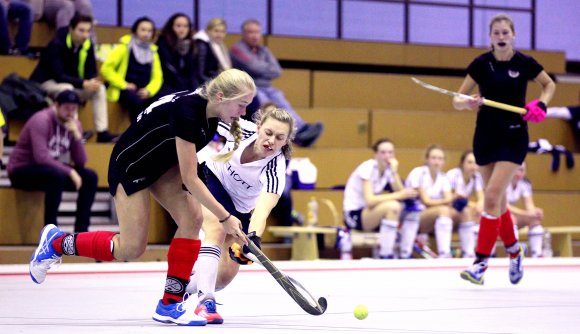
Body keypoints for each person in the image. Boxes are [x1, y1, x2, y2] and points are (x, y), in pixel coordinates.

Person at [27, 69, 256, 326]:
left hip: (162, 165)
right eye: (242, 105)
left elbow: (189, 165)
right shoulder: (189, 111)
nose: (244, 112)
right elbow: (190, 179)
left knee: (192, 219)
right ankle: (57, 243)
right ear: (222, 96)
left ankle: (170, 303)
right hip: (132, 165)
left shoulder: (212, 113)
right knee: (131, 248)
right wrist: (225, 217)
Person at [453, 13, 555, 285]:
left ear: (513, 35)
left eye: (505, 32)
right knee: (498, 203)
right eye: (496, 33)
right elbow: (457, 98)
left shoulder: (524, 63)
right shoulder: (481, 64)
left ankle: (480, 263)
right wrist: (468, 103)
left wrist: (541, 105)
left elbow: (549, 84)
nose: (500, 37)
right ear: (490, 37)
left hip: (513, 137)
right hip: (485, 137)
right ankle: (514, 252)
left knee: (491, 196)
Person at [185, 107, 295, 323]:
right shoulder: (240, 130)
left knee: (225, 276)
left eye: (280, 137)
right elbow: (206, 116)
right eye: (268, 133)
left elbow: (262, 211)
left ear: (285, 142)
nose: (271, 140)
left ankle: (181, 288)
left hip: (241, 210)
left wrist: (253, 238)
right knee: (215, 229)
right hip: (212, 180)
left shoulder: (275, 170)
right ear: (258, 127)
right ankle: (205, 302)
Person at [7, 90, 97, 232]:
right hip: (21, 170)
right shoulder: (41, 120)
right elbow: (41, 157)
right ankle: (50, 232)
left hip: (49, 170)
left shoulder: (74, 125)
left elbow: (81, 161)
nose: (70, 112)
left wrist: (77, 136)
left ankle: (81, 232)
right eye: (67, 108)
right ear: (56, 105)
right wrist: (70, 171)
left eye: (74, 108)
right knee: (57, 176)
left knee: (90, 177)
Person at [230, 19, 323, 148]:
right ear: (244, 34)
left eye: (257, 32)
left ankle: (301, 130)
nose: (254, 35)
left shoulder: (264, 50)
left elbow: (277, 71)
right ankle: (290, 135)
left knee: (281, 99)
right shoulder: (237, 49)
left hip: (267, 86)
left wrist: (260, 69)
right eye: (250, 32)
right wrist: (265, 68)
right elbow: (253, 66)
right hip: (249, 87)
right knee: (265, 103)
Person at [29, 14, 117, 143]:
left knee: (100, 89)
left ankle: (102, 132)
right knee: (68, 89)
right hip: (46, 84)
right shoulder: (57, 44)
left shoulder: (87, 45)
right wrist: (83, 83)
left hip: (74, 84)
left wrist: (93, 82)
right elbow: (58, 76)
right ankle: (74, 131)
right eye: (81, 30)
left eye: (88, 31)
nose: (85, 35)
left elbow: (91, 71)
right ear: (71, 29)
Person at [342, 138, 417, 259]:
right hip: (353, 215)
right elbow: (370, 201)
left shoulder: (388, 170)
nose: (387, 156)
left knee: (409, 210)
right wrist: (398, 195)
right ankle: (385, 254)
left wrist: (394, 172)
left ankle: (405, 253)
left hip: (370, 214)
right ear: (376, 154)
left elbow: (401, 192)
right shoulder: (367, 167)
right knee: (393, 206)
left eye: (390, 152)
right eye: (383, 152)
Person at [100, 16, 168, 122]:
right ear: (135, 31)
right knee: (136, 102)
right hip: (123, 88)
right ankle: (137, 134)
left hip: (144, 89)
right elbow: (106, 69)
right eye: (143, 30)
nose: (146, 33)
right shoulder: (124, 47)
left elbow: (157, 77)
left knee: (164, 100)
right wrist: (124, 84)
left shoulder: (153, 52)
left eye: (150, 31)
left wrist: (149, 91)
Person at [401, 145, 453, 258]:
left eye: (440, 159)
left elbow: (449, 199)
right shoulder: (418, 173)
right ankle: (444, 253)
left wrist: (444, 201)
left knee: (456, 212)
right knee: (444, 210)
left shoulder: (443, 177)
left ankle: (448, 252)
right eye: (433, 158)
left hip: (428, 216)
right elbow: (426, 201)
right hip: (408, 216)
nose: (436, 162)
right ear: (426, 159)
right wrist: (443, 201)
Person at [447, 150, 484, 258]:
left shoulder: (477, 177)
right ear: (462, 163)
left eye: (476, 163)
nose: (473, 166)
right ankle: (467, 252)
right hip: (450, 208)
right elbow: (449, 199)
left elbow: (481, 199)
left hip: (463, 208)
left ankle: (475, 251)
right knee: (468, 212)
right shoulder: (453, 174)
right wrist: (473, 205)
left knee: (481, 213)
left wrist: (479, 206)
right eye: (469, 162)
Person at [506, 162, 545, 258]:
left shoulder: (524, 184)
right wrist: (527, 213)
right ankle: (513, 253)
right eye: (517, 169)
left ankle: (537, 253)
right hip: (498, 216)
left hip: (511, 216)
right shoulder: (503, 182)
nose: (519, 173)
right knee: (511, 219)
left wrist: (535, 212)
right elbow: (504, 206)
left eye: (522, 170)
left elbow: (529, 206)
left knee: (534, 219)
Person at [156, 13, 197, 92]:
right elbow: (168, 69)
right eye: (178, 26)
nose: (182, 29)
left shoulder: (190, 44)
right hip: (167, 85)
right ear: (171, 27)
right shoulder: (163, 43)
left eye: (185, 26)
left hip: (185, 87)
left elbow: (192, 72)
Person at [193, 17, 232, 87]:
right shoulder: (202, 45)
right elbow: (200, 74)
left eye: (222, 31)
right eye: (216, 31)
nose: (219, 34)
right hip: (206, 86)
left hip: (216, 82)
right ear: (208, 31)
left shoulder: (219, 44)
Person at [27, 0, 93, 29]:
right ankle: (64, 47)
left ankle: (89, 49)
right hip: (44, 4)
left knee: (85, 6)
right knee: (67, 6)